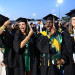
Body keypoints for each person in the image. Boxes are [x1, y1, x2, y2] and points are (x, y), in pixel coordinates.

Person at [57, 9, 75, 75]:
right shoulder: (66, 33)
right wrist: (63, 60)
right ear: (70, 21)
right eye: (73, 19)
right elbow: (64, 49)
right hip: (69, 62)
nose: (74, 21)